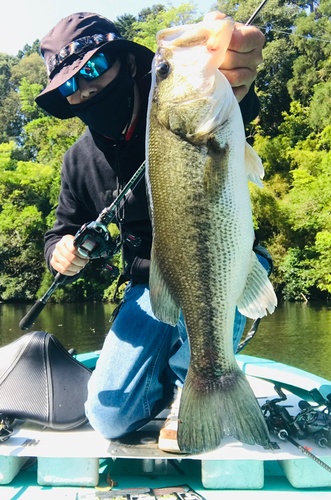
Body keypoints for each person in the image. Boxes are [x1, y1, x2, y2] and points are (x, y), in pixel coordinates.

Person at [35, 12, 269, 452]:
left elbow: (237, 96)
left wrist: (235, 66)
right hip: (150, 283)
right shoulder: (78, 162)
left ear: (124, 62)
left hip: (224, 261)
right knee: (107, 417)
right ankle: (164, 376)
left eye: (91, 70)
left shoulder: (193, 102)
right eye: (69, 85)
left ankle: (193, 382)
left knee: (207, 305)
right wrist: (61, 252)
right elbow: (59, 231)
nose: (84, 89)